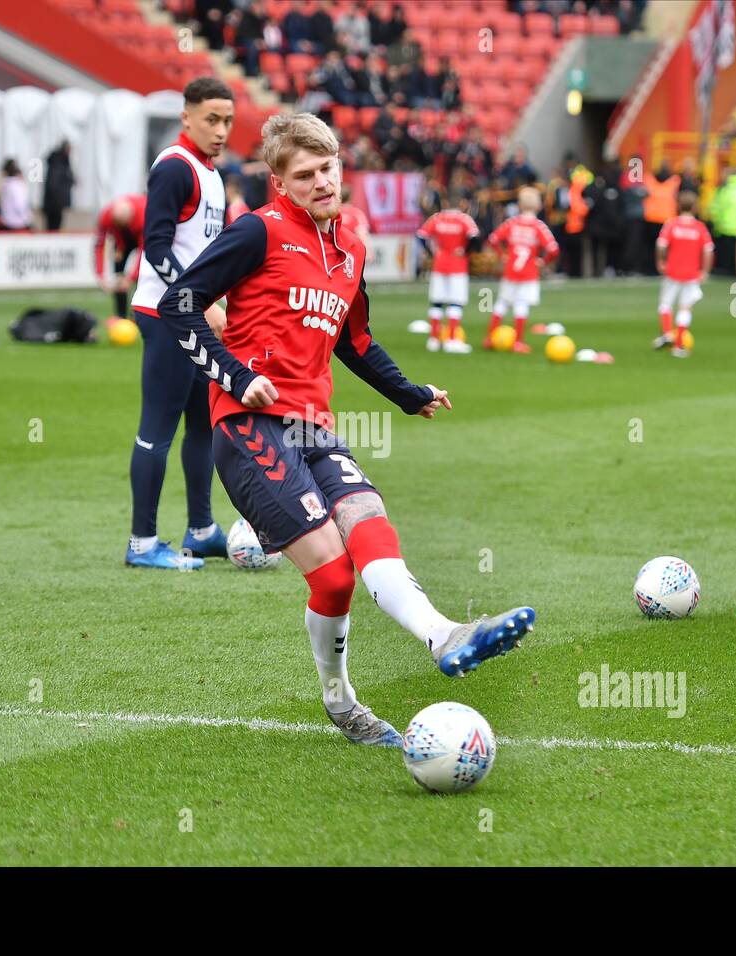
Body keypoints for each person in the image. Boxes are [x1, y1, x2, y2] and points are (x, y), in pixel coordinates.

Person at [155, 111, 535, 745]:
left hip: (313, 426)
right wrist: (232, 374)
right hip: (249, 426)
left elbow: (355, 341)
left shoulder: (350, 248)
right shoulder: (258, 233)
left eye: (328, 168)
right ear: (280, 183)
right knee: (332, 576)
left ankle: (445, 636)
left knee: (371, 526)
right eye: (304, 175)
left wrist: (409, 395)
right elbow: (180, 304)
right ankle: (341, 701)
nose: (322, 183)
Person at [127, 77, 234, 570]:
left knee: (203, 425)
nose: (221, 129)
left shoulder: (213, 175)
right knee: (158, 428)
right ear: (187, 116)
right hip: (165, 313)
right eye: (212, 119)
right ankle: (143, 544)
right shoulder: (175, 167)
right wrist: (196, 299)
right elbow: (156, 245)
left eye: (228, 121)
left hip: (195, 315)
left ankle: (201, 529)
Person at [484, 186, 559, 353]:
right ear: (539, 206)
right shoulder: (538, 226)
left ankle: (489, 338)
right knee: (521, 304)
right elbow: (553, 249)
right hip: (528, 271)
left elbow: (493, 239)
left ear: (519, 205)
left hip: (511, 269)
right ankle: (518, 342)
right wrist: (543, 261)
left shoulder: (512, 222)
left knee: (502, 302)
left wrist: (502, 255)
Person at [652, 190, 713, 358]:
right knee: (685, 308)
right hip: (691, 274)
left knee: (665, 304)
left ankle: (666, 333)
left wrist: (661, 262)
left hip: (673, 271)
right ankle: (679, 345)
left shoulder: (671, 224)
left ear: (678, 205)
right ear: (695, 207)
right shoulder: (700, 227)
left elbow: (661, 245)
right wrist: (705, 270)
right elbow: (708, 250)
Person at [416, 192, 478, 352]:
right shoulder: (464, 219)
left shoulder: (437, 218)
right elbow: (475, 237)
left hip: (439, 263)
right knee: (455, 302)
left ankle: (434, 339)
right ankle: (451, 340)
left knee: (437, 301)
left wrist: (431, 253)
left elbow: (421, 236)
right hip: (457, 265)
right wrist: (465, 250)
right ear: (462, 203)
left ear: (445, 202)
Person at [94, 194, 145, 317]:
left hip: (143, 237)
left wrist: (130, 278)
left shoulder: (143, 215)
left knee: (143, 275)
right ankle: (121, 316)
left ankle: (138, 314)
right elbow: (99, 245)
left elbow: (145, 252)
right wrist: (100, 275)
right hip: (121, 241)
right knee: (118, 271)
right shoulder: (106, 216)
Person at [43, 140, 75, 232]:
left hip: (56, 202)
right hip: (54, 203)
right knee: (53, 227)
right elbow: (54, 184)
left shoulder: (62, 162)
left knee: (55, 226)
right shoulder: (58, 163)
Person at [0, 159, 32, 229]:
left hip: (6, 221)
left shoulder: (5, 184)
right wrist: (28, 217)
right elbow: (20, 205)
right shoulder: (18, 185)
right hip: (18, 223)